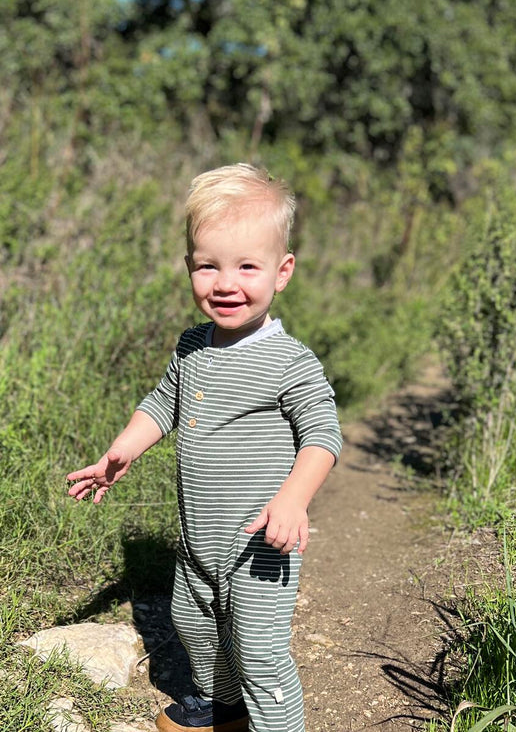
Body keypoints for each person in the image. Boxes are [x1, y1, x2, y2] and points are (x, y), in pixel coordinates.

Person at [67, 163, 342, 732]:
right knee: (193, 625)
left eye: (247, 267)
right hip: (199, 538)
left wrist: (293, 499)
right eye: (208, 266)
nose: (225, 284)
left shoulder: (289, 361)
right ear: (189, 267)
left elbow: (323, 434)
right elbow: (164, 402)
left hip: (261, 544)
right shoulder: (193, 345)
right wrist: (122, 450)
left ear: (282, 271)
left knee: (261, 656)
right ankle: (222, 707)